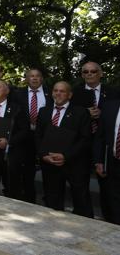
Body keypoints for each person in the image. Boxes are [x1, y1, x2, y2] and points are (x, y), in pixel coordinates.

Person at [36, 81, 93, 218]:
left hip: (75, 165)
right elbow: (38, 137)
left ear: (70, 95)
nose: (58, 93)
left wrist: (66, 156)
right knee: (52, 202)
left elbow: (85, 139)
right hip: (50, 164)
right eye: (55, 90)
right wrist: (44, 155)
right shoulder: (44, 111)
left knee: (81, 202)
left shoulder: (81, 112)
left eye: (62, 91)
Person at [72, 61, 119, 222]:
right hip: (81, 144)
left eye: (93, 71)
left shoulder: (113, 92)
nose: (89, 74)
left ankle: (109, 219)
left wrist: (103, 114)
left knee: (107, 187)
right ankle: (85, 218)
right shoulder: (75, 93)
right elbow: (69, 116)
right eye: (85, 72)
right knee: (79, 182)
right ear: (82, 75)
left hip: (106, 146)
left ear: (100, 73)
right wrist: (85, 113)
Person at [13, 68, 51, 203]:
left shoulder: (51, 93)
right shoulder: (18, 94)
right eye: (31, 76)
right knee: (27, 169)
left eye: (37, 76)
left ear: (42, 78)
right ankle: (29, 199)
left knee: (48, 170)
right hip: (25, 137)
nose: (34, 78)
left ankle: (50, 199)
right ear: (27, 79)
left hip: (45, 137)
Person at [93, 99, 120, 224]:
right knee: (111, 199)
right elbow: (100, 136)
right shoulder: (110, 106)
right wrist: (99, 161)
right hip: (111, 161)